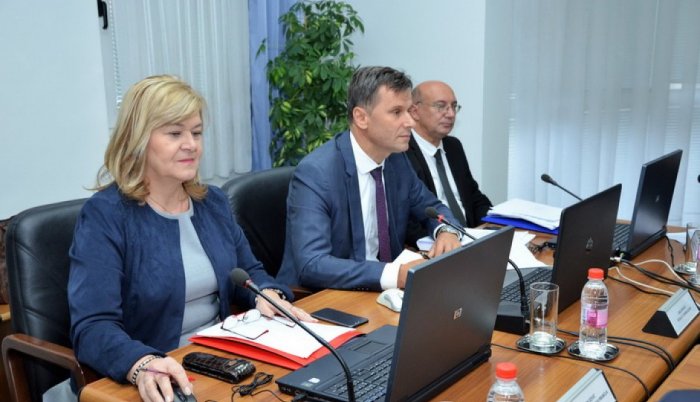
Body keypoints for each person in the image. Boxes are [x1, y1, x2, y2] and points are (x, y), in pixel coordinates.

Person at [66, 75, 314, 402]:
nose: (191, 144)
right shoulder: (106, 216)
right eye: (175, 133)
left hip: (219, 364)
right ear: (138, 139)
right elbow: (93, 326)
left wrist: (266, 294)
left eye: (196, 133)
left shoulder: (212, 203)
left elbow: (249, 272)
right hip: (153, 375)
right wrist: (141, 363)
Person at [276, 66, 462, 292]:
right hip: (320, 297)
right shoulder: (316, 173)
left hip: (382, 291)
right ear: (361, 118)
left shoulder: (396, 161)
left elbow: (432, 207)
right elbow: (313, 264)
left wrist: (446, 231)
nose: (410, 122)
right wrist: (394, 275)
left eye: (409, 111)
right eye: (397, 112)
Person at [404, 80, 492, 245]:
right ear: (415, 111)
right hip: (435, 243)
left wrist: (495, 225)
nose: (451, 114)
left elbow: (474, 197)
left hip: (470, 237)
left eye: (454, 106)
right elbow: (408, 218)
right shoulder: (401, 152)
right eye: (441, 106)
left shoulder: (453, 146)